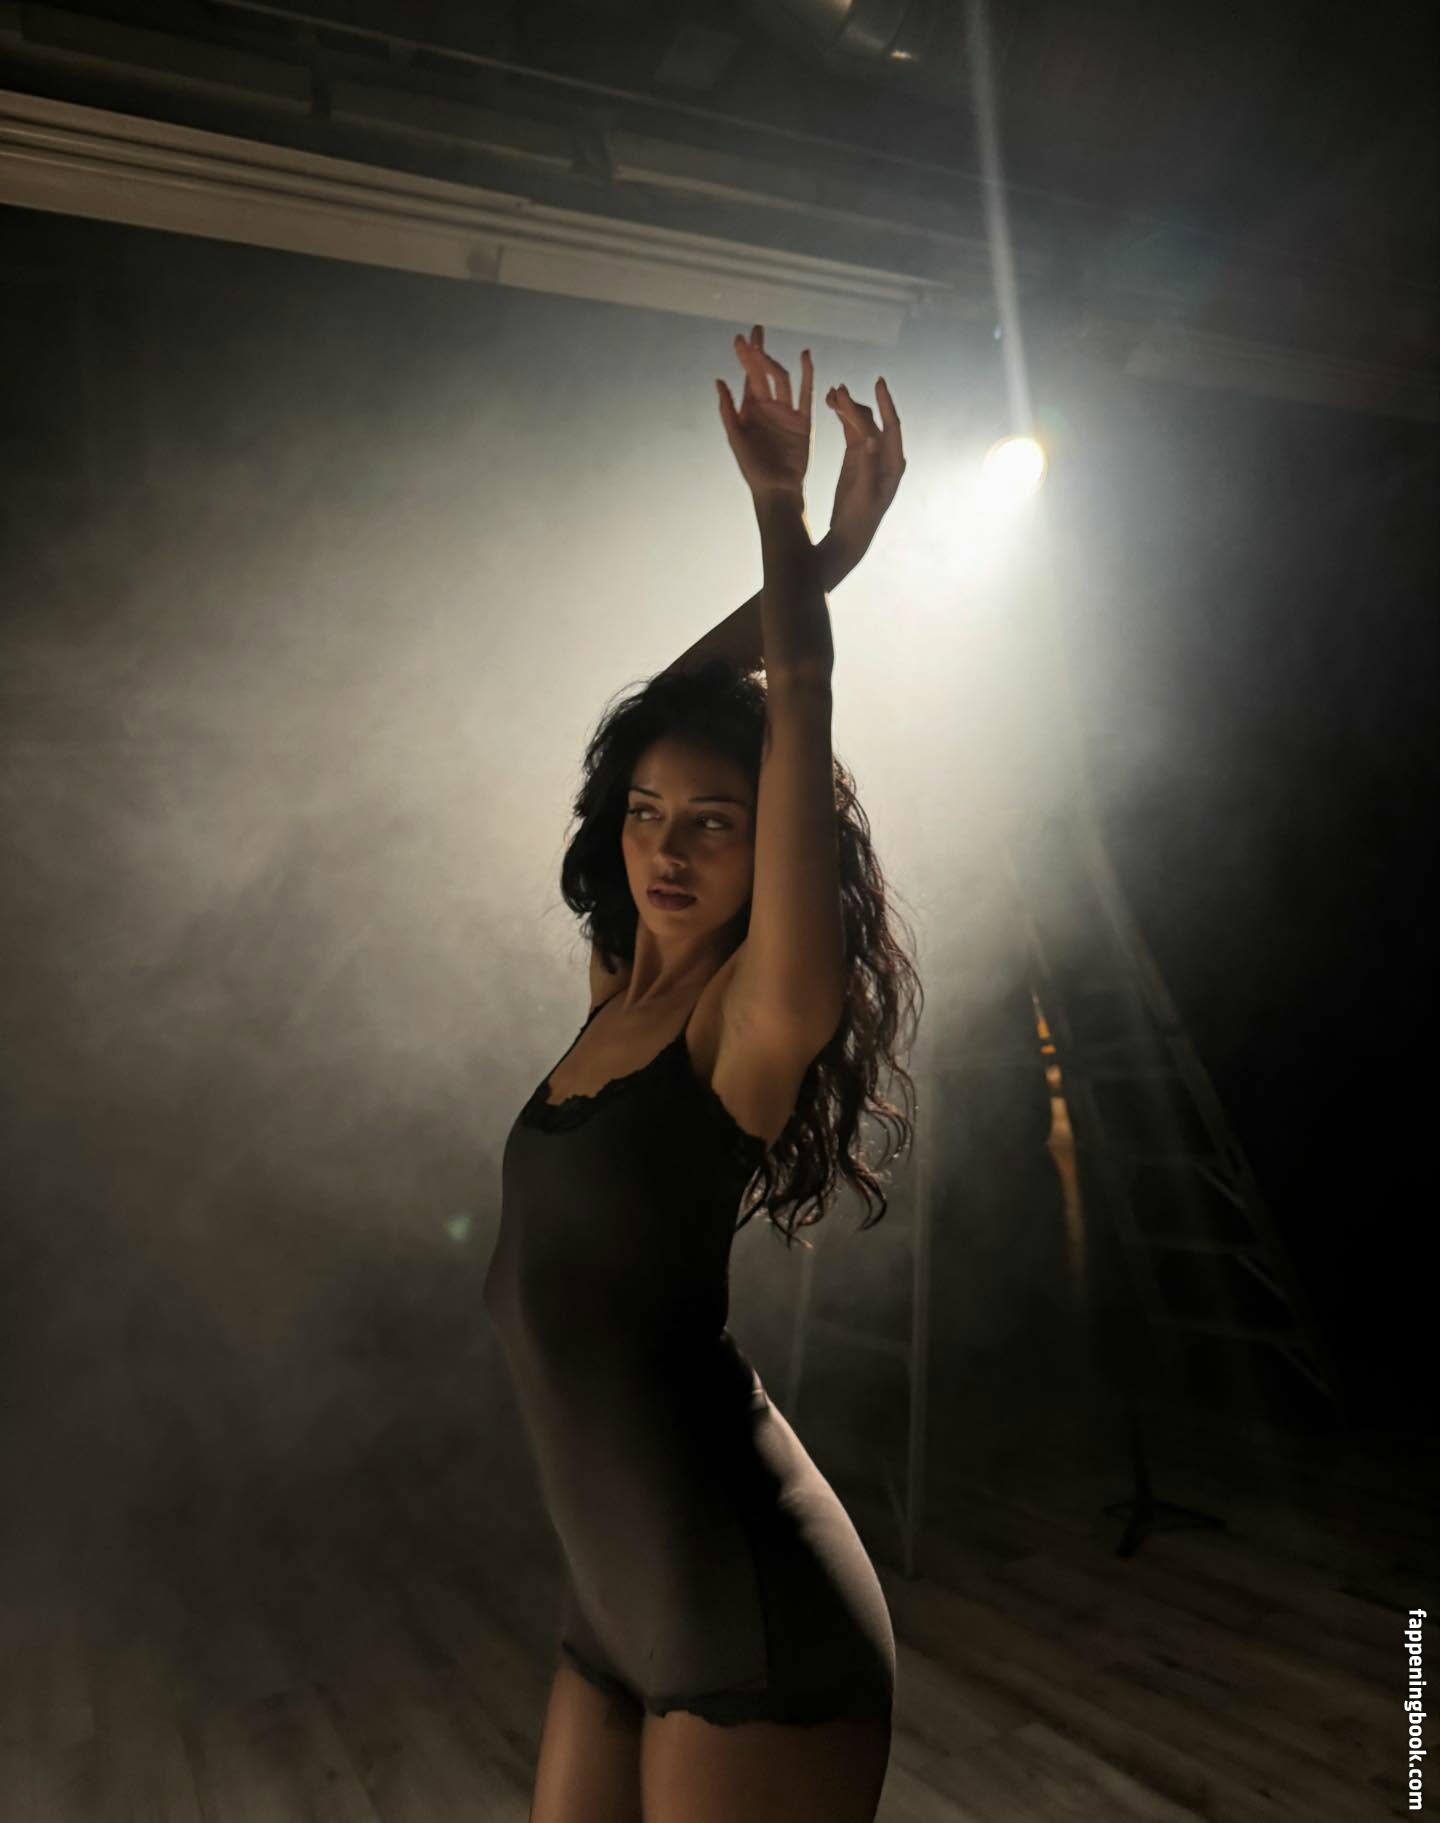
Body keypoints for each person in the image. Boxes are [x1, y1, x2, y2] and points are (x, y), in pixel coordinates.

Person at [483, 325, 922, 1821]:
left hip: (749, 1614)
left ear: (772, 844)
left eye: (715, 823)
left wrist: (787, 516)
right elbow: (659, 714)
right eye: (646, 814)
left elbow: (795, 685)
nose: (666, 846)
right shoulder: (621, 987)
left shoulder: (755, 1016)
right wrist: (834, 556)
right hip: (613, 1607)